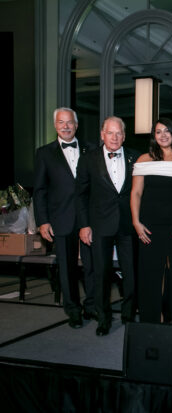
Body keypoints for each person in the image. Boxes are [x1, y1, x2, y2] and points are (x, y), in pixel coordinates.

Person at [33, 107, 96, 328]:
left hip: (89, 218)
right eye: (61, 122)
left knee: (92, 265)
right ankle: (73, 310)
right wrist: (42, 220)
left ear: (76, 125)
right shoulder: (44, 153)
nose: (66, 126)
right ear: (55, 126)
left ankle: (92, 306)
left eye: (69, 122)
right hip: (61, 218)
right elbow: (39, 190)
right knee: (67, 268)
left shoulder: (92, 150)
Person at [77, 116, 139, 336]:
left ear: (124, 135)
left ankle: (129, 314)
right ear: (102, 135)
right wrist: (84, 225)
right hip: (99, 225)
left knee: (131, 273)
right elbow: (81, 195)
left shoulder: (135, 157)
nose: (114, 137)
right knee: (101, 274)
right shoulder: (88, 159)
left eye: (119, 133)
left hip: (128, 225)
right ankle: (103, 319)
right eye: (110, 133)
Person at [130, 118, 172, 325]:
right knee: (150, 275)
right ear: (154, 136)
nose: (163, 135)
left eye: (168, 131)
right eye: (158, 132)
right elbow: (136, 193)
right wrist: (136, 222)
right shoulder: (143, 159)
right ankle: (152, 321)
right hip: (149, 226)